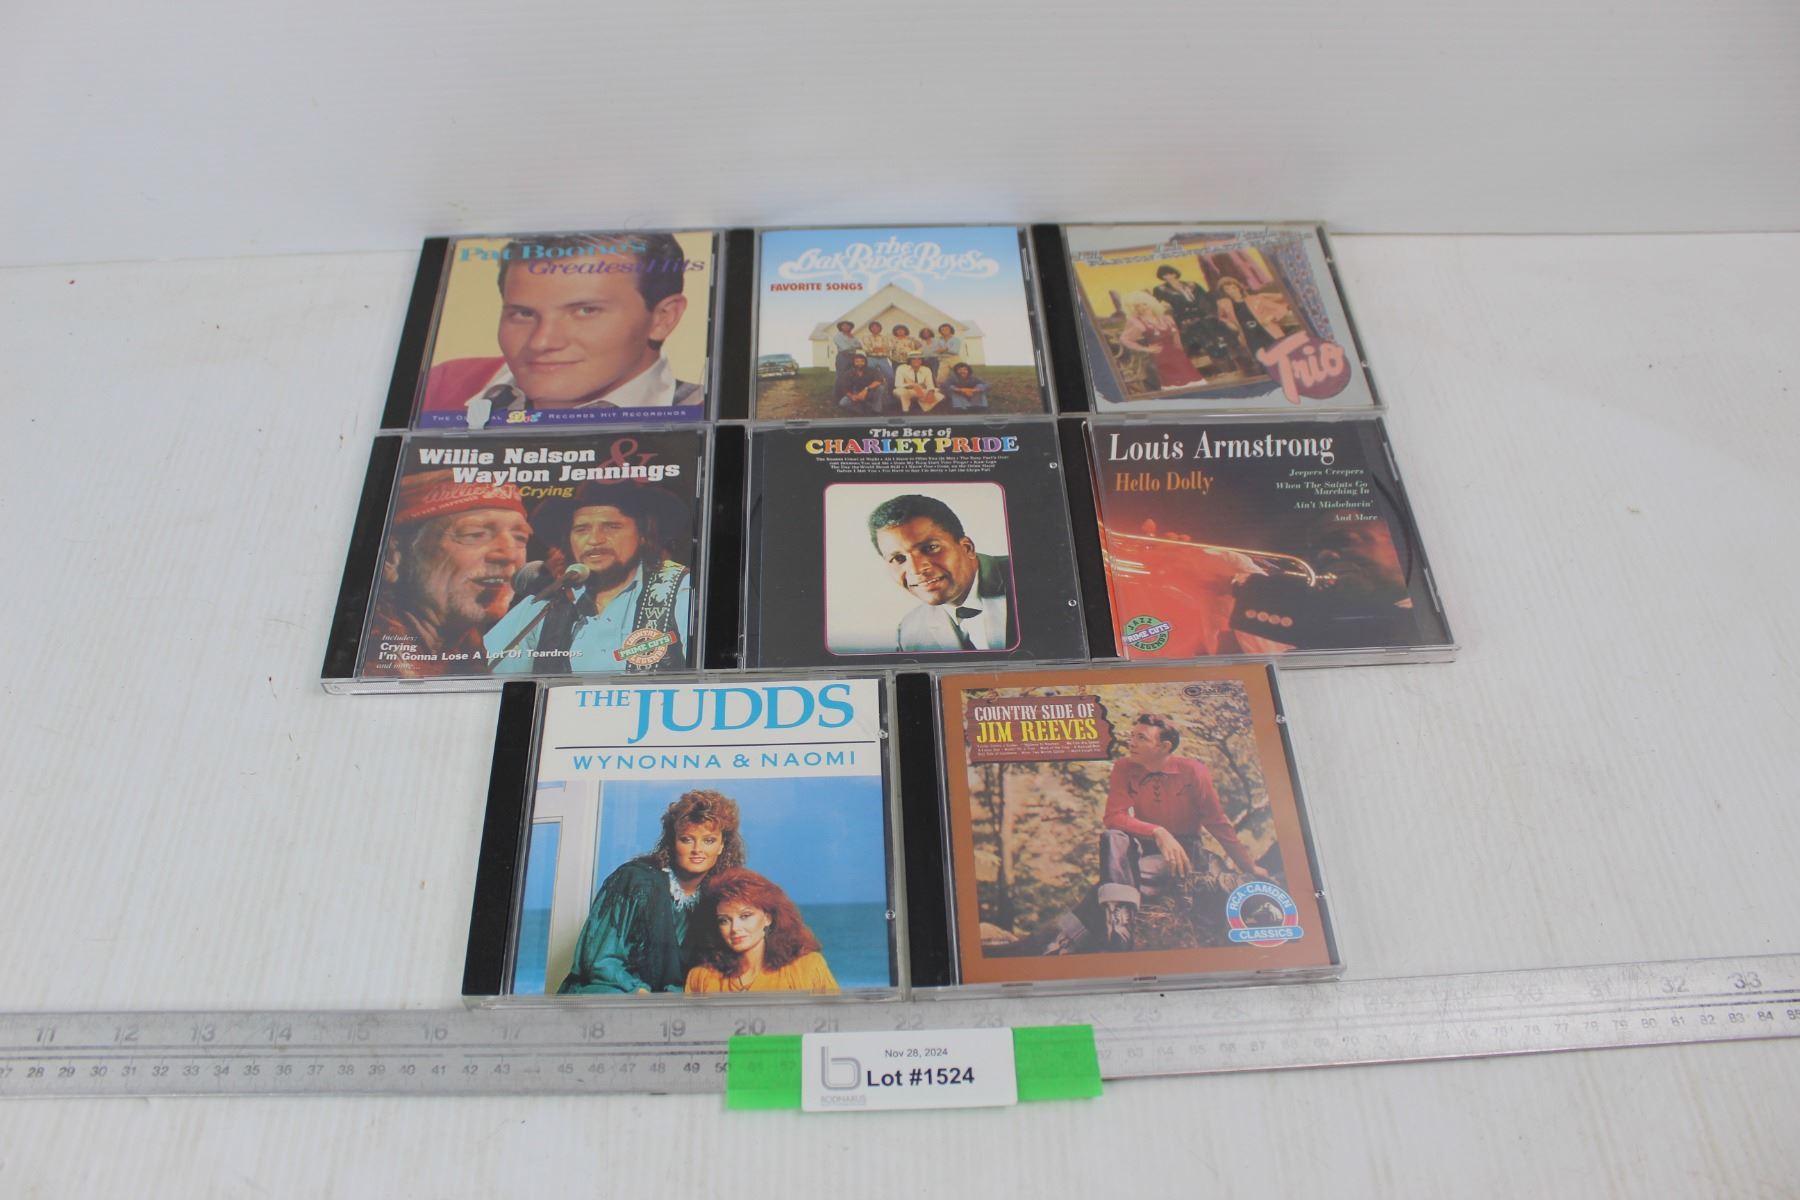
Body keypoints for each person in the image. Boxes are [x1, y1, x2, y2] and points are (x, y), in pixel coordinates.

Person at [420, 232, 700, 428]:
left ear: (663, 318)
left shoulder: (703, 409)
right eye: (523, 314)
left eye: (585, 311)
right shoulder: (441, 386)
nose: (541, 342)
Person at [1097, 713, 1271, 951]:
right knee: (1112, 837)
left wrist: (1248, 866)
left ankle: (1072, 938)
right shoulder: (1124, 767)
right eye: (1132, 735)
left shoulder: (1193, 771)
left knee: (1120, 876)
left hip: (1182, 852)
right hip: (1144, 845)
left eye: (1141, 738)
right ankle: (1119, 925)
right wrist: (1158, 831)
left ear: (1164, 746)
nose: (1131, 742)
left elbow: (1217, 822)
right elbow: (1113, 817)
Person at [484, 480, 691, 674]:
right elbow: (493, 678)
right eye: (582, 529)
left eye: (612, 527)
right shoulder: (544, 603)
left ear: (644, 535)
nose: (594, 540)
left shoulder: (678, 589)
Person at [559, 791, 745, 994]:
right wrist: (638, 992)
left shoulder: (717, 898)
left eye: (708, 840)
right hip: (614, 990)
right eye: (687, 839)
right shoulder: (634, 881)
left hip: (669, 1000)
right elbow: (600, 960)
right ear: (673, 842)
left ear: (721, 846)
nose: (697, 849)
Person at [364, 471, 531, 678]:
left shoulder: (479, 657)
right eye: (475, 534)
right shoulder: (365, 660)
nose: (510, 555)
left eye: (520, 538)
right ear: (392, 558)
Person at [868, 494, 1015, 652]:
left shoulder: (1028, 576)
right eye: (898, 558)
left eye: (930, 548)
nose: (916, 569)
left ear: (967, 548)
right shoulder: (909, 634)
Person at [683, 869, 839, 994]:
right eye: (724, 920)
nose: (735, 928)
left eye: (745, 916)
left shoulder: (807, 968)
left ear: (767, 918)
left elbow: (835, 1020)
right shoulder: (701, 977)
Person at [1118, 292, 1204, 389]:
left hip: (1177, 354)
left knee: (1193, 381)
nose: (1142, 308)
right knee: (1175, 385)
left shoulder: (1167, 318)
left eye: (1144, 304)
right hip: (1161, 356)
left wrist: (1181, 351)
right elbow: (1125, 339)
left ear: (1151, 303)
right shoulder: (1137, 322)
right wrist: (1146, 349)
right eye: (1138, 306)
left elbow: (1176, 336)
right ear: (1134, 309)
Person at [1214, 277, 1291, 374]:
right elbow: (1222, 317)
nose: (1232, 291)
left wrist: (1271, 317)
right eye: (1227, 289)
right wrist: (1229, 323)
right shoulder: (1225, 305)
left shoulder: (1255, 299)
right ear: (1224, 292)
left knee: (1280, 358)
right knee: (1264, 363)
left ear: (1239, 288)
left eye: (1234, 288)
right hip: (1250, 337)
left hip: (1267, 332)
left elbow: (1281, 309)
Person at [858, 320, 895, 385]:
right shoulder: (866, 337)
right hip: (871, 358)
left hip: (883, 359)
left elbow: (889, 347)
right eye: (873, 327)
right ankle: (867, 388)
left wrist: (878, 349)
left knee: (890, 375)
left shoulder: (885, 337)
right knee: (866, 374)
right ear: (870, 328)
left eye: (877, 327)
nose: (875, 328)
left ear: (880, 328)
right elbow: (864, 348)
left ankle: (890, 390)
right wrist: (874, 349)